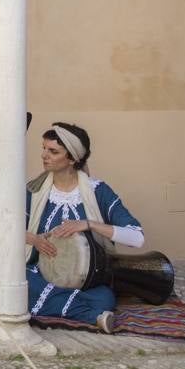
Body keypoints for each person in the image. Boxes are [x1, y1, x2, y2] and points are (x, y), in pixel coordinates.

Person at [25, 122, 144, 333]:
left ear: (72, 159)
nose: (44, 155)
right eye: (44, 149)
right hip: (39, 273)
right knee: (19, 281)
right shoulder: (35, 190)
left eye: (53, 151)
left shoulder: (98, 191)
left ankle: (64, 305)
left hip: (88, 281)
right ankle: (92, 316)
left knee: (104, 298)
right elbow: (7, 232)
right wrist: (34, 239)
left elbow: (137, 237)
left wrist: (89, 224)